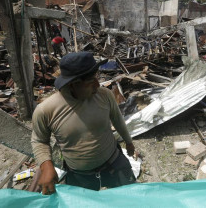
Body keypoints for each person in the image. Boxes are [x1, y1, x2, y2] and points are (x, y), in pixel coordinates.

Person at [31, 52, 136, 194]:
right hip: (80, 176)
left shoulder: (104, 95)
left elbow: (117, 119)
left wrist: (129, 142)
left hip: (114, 163)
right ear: (74, 84)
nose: (97, 85)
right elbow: (39, 140)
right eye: (91, 81)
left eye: (97, 78)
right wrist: (46, 165)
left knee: (130, 197)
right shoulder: (46, 110)